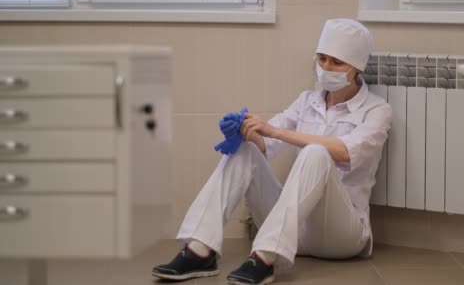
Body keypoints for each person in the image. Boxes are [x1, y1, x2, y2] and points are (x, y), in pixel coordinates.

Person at [152, 18, 392, 285]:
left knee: (317, 152)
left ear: (357, 67)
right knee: (246, 148)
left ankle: (265, 257)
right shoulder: (306, 101)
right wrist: (245, 130)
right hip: (294, 230)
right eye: (321, 58)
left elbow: (345, 152)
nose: (325, 68)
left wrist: (274, 131)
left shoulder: (376, 110)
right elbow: (267, 144)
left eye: (336, 62)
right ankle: (199, 249)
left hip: (340, 235)